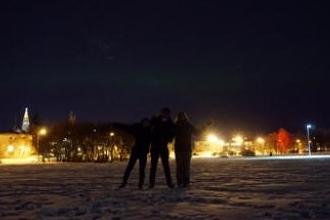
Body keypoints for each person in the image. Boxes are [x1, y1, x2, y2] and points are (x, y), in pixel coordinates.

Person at [116, 118, 152, 189]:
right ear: (142, 123)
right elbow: (127, 128)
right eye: (145, 122)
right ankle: (124, 182)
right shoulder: (138, 129)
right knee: (130, 167)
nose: (146, 124)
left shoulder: (150, 131)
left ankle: (140, 184)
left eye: (147, 123)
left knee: (142, 169)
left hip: (143, 152)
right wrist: (118, 125)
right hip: (136, 151)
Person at [149, 108, 175, 188]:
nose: (165, 114)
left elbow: (173, 132)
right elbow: (149, 128)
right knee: (153, 166)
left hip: (163, 146)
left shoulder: (170, 122)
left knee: (166, 166)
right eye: (164, 113)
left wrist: (169, 139)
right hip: (155, 146)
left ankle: (169, 183)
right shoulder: (156, 120)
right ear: (161, 113)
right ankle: (151, 183)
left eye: (167, 113)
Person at [174, 112, 199, 187]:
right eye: (180, 116)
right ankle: (181, 181)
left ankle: (184, 182)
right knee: (181, 166)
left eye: (182, 116)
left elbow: (198, 133)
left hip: (185, 149)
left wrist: (206, 126)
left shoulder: (186, 126)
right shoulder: (176, 126)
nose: (181, 117)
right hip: (180, 149)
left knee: (184, 166)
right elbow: (198, 132)